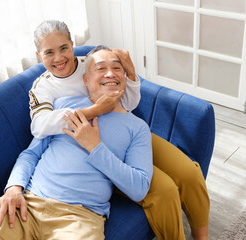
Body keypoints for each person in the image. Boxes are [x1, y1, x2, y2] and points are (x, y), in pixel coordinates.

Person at [0, 45, 154, 240]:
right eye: (101, 69)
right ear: (86, 79)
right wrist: (13, 188)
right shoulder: (64, 106)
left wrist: (95, 146)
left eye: (117, 68)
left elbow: (139, 188)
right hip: (28, 204)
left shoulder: (137, 128)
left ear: (125, 78)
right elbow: (31, 154)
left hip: (79, 219)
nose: (110, 74)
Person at [28, 20, 209, 240]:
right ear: (39, 55)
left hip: (125, 129)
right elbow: (39, 126)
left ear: (72, 44)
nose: (59, 58)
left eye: (64, 48)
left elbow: (128, 103)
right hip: (91, 144)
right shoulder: (43, 87)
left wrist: (129, 73)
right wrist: (94, 109)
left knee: (189, 172)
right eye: (49, 52)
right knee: (164, 190)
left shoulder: (91, 62)